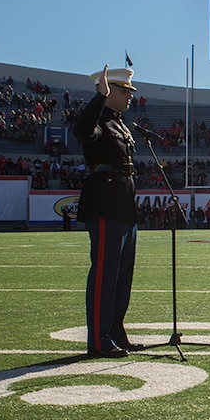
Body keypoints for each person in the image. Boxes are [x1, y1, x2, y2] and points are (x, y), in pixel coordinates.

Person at [73, 65, 142, 358]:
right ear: (110, 90)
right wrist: (98, 98)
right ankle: (99, 340)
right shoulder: (98, 118)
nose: (130, 97)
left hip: (124, 202)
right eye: (125, 91)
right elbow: (82, 130)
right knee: (104, 273)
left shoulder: (121, 123)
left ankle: (115, 331)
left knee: (122, 274)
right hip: (105, 199)